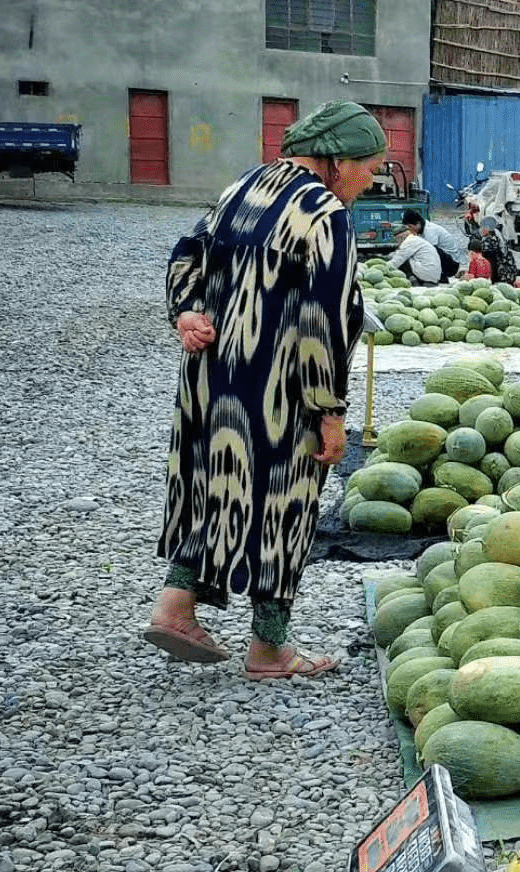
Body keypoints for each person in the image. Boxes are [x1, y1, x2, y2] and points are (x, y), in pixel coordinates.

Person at [143, 100, 385, 679]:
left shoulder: (243, 187)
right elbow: (321, 321)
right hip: (279, 391)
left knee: (216, 489)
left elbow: (187, 255)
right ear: (336, 160)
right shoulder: (323, 211)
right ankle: (269, 648)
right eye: (370, 167)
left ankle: (176, 605)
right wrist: (329, 411)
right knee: (283, 508)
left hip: (213, 382)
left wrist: (186, 312)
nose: (371, 180)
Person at [405, 209, 467, 278]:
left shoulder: (430, 230)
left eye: (410, 227)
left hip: (452, 263)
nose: (410, 230)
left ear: (417, 223)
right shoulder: (422, 229)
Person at [387, 217, 444, 284]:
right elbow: (397, 253)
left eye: (398, 239)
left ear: (402, 236)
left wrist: (382, 269)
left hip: (426, 275)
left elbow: (397, 260)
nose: (398, 242)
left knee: (403, 261)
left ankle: (412, 281)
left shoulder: (409, 242)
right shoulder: (416, 240)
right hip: (433, 275)